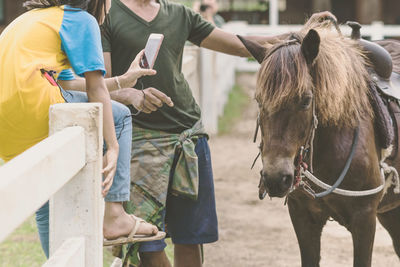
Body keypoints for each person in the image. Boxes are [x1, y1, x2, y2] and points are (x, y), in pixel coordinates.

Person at [60, 1, 336, 265]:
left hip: (189, 136)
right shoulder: (108, 15)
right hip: (141, 140)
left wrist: (296, 35)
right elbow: (102, 84)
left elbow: (240, 45)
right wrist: (132, 95)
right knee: (144, 243)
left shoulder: (180, 15)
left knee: (191, 238)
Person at [0, 0, 166, 258]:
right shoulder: (80, 20)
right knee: (120, 115)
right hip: (34, 105)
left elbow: (71, 84)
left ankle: (58, 260)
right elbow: (94, 88)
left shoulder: (36, 20)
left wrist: (125, 79)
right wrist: (112, 146)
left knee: (47, 201)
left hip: (8, 124)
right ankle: (115, 216)